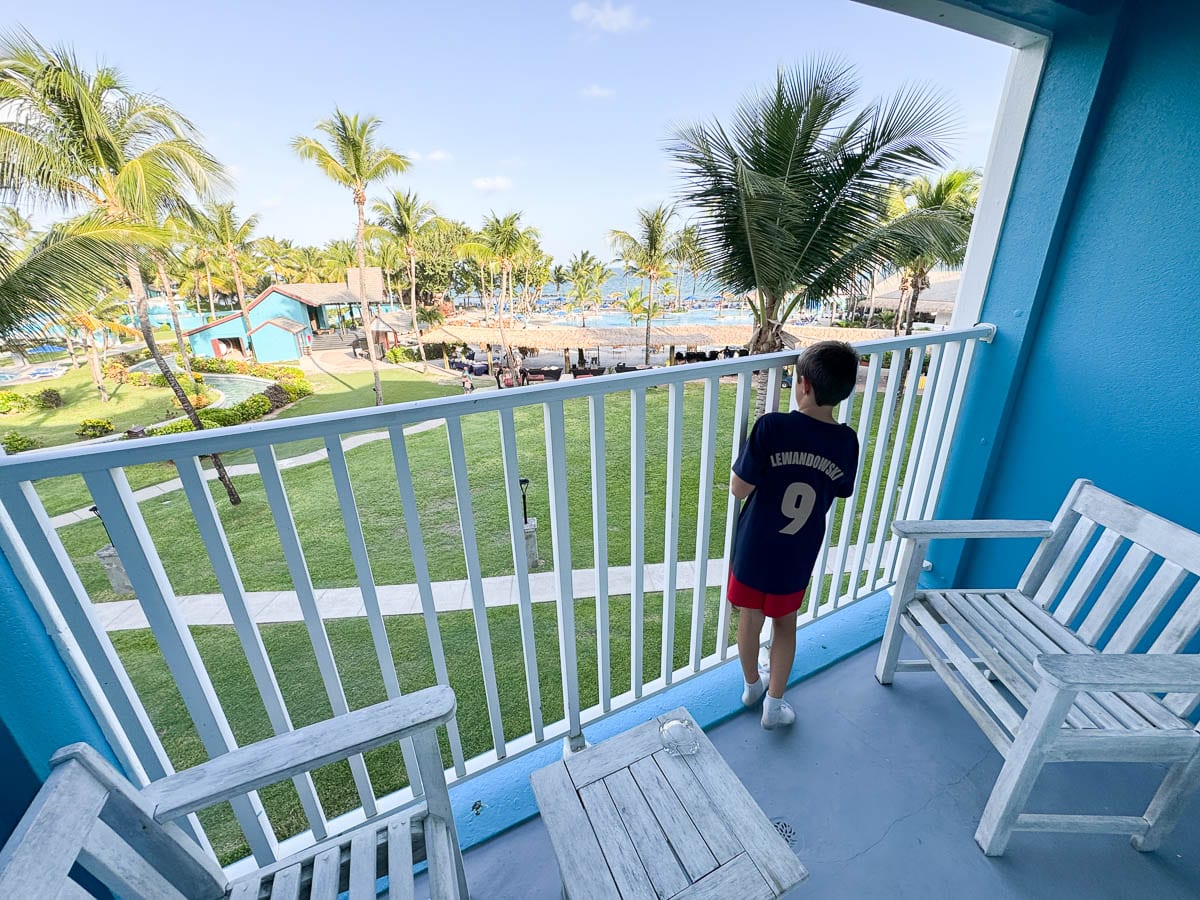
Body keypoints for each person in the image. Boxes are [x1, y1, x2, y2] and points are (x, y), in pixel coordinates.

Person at [728, 340, 861, 729]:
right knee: (784, 624)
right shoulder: (846, 441)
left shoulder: (772, 426)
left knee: (749, 618)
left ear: (802, 384)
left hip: (754, 548)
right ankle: (775, 703)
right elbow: (839, 489)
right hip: (798, 552)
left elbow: (739, 488)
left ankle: (752, 685)